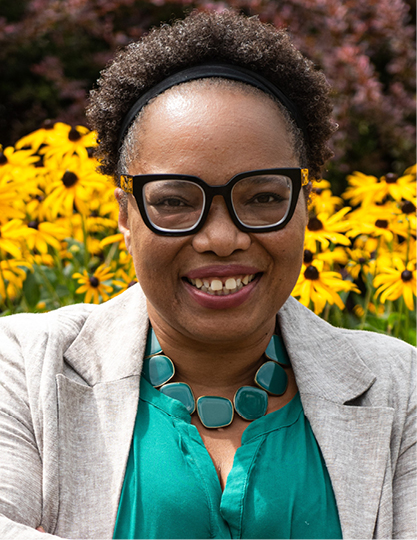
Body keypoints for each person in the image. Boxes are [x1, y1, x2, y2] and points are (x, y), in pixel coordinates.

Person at [0, 10, 415, 540]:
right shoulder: (23, 368)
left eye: (264, 198)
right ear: (126, 216)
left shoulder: (401, 388)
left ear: (305, 206)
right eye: (174, 201)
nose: (221, 238)